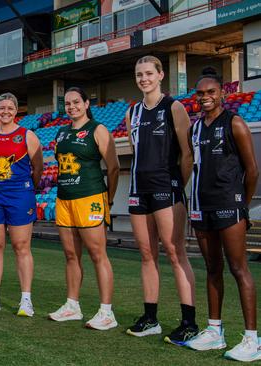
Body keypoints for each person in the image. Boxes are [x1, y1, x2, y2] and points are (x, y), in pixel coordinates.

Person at [184, 68, 260, 362]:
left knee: (239, 269)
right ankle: (215, 332)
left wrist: (243, 204)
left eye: (210, 92)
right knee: (212, 269)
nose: (205, 98)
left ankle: (252, 339)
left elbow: (252, 170)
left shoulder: (235, 123)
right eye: (200, 93)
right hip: (202, 207)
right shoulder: (196, 127)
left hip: (230, 205)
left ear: (222, 94)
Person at [125, 55, 197, 345]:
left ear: (160, 75)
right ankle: (150, 318)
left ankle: (189, 321)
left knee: (174, 251)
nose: (144, 78)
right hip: (138, 190)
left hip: (167, 189)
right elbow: (135, 150)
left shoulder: (174, 107)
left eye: (148, 74)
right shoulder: (133, 111)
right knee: (146, 254)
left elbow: (188, 153)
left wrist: (177, 185)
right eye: (139, 74)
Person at [48, 87, 119, 330]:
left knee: (98, 254)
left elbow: (114, 167)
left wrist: (108, 199)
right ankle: (72, 306)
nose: (72, 107)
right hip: (64, 199)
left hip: (90, 198)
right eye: (67, 103)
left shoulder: (97, 130)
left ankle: (106, 312)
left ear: (87, 103)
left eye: (76, 102)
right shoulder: (60, 133)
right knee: (70, 255)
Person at [0, 92, 43, 317]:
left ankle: (26, 300)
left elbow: (38, 168)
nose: (5, 111)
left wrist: (25, 188)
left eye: (10, 108)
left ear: (17, 111)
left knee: (21, 246)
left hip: (20, 195)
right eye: (1, 107)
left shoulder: (28, 135)